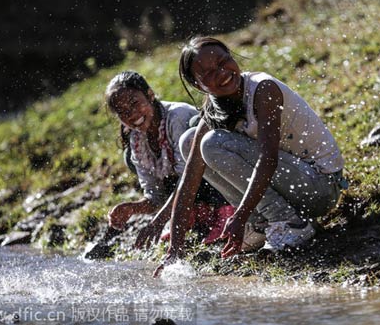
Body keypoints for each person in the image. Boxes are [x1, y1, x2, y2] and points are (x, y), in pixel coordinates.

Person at [141, 37, 347, 277]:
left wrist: (239, 217)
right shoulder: (215, 107)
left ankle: (289, 224)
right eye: (207, 73)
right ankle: (263, 224)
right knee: (190, 143)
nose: (221, 72)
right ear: (198, 85)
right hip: (294, 187)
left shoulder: (263, 89)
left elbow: (268, 159)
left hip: (320, 188)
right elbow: (188, 181)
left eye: (223, 61)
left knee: (212, 143)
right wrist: (174, 252)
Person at [104, 71, 231, 248]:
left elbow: (189, 178)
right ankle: (193, 215)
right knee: (130, 159)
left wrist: (158, 221)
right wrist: (132, 208)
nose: (132, 115)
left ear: (150, 95)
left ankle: (225, 211)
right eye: (123, 112)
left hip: (213, 177)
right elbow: (156, 196)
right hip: (183, 185)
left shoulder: (177, 118)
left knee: (194, 139)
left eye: (135, 104)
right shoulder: (136, 139)